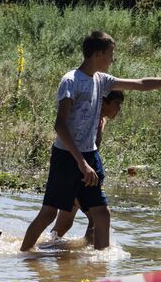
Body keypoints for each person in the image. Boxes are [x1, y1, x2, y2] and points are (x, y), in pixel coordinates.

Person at [20, 31, 161, 251]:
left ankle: (100, 266)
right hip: (66, 156)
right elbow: (60, 125)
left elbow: (142, 83)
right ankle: (22, 257)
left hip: (89, 155)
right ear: (99, 54)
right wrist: (81, 164)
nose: (113, 59)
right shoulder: (71, 81)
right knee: (48, 214)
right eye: (111, 54)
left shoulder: (102, 81)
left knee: (102, 214)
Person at [49, 90, 124, 244]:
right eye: (117, 103)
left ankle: (45, 249)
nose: (119, 108)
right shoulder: (89, 120)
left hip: (82, 173)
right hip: (79, 174)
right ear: (103, 102)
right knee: (97, 218)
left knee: (64, 223)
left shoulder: (101, 120)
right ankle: (91, 256)